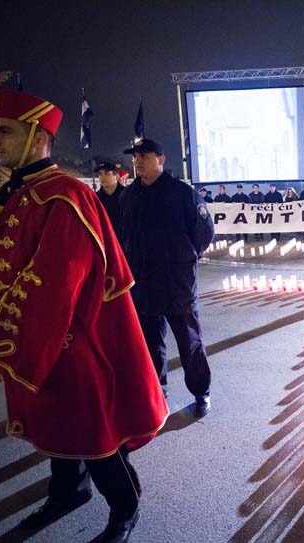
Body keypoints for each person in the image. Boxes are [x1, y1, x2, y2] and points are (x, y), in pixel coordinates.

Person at [0, 87, 167, 543]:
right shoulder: (6, 195)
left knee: (93, 426)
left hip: (73, 340)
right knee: (54, 422)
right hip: (31, 332)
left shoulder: (67, 196)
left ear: (37, 136)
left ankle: (125, 507)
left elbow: (55, 279)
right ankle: (67, 491)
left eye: (4, 131)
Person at [119, 138, 215, 417]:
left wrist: (185, 257)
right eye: (135, 156)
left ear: (161, 160)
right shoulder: (129, 196)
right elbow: (123, 236)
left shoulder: (182, 193)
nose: (137, 161)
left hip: (177, 283)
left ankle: (201, 392)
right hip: (143, 283)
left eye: (144, 156)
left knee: (190, 342)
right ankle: (157, 392)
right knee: (150, 345)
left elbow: (204, 233)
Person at [95, 161, 126, 241]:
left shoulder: (128, 195)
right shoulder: (95, 198)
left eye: (107, 174)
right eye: (100, 174)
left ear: (116, 176)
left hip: (125, 242)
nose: (102, 177)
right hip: (105, 241)